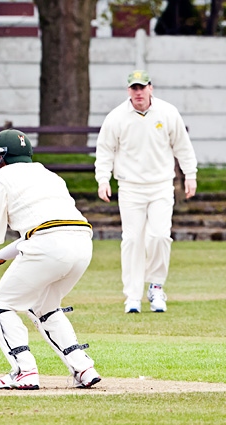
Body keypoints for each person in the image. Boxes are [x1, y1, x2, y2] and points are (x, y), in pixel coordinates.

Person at [0, 129, 100, 390]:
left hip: (48, 244)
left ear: (1, 159)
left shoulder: (1, 178)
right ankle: (84, 368)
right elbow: (38, 232)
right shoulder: (50, 176)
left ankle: (24, 370)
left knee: (0, 304)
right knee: (45, 306)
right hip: (81, 243)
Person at [95, 70, 198, 314]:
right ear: (128, 90)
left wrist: (190, 174)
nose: (138, 92)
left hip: (161, 185)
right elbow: (105, 150)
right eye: (134, 88)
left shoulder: (167, 112)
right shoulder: (117, 117)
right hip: (130, 187)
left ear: (151, 88)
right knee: (132, 240)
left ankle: (156, 286)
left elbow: (182, 146)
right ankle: (132, 296)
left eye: (142, 87)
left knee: (160, 237)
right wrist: (102, 179)